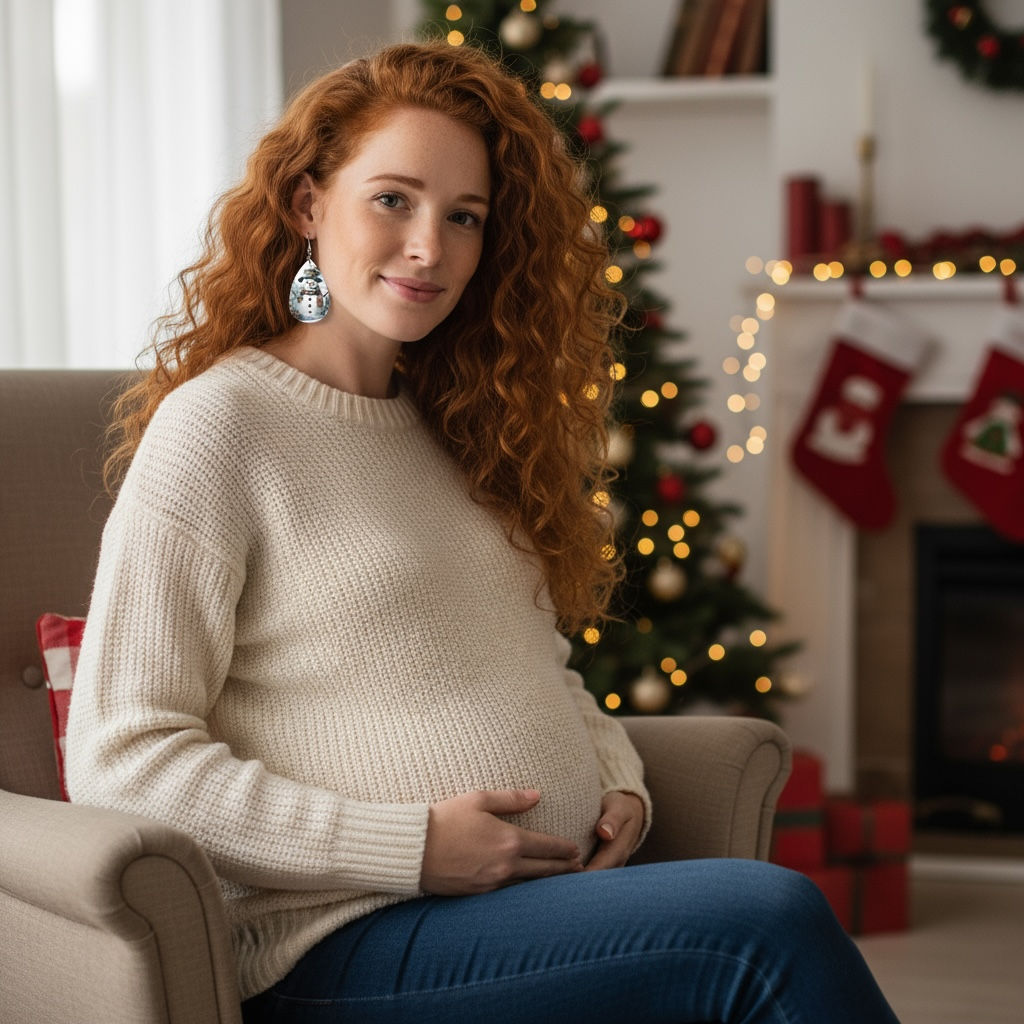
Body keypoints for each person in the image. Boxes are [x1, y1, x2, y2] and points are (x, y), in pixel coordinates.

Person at [65, 40, 901, 1024]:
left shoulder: (458, 430)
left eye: (464, 216)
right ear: (306, 206)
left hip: (520, 910)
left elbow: (534, 666)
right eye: (393, 200)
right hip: (339, 939)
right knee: (768, 922)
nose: (431, 246)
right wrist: (408, 846)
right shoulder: (221, 426)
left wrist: (618, 783)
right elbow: (123, 759)